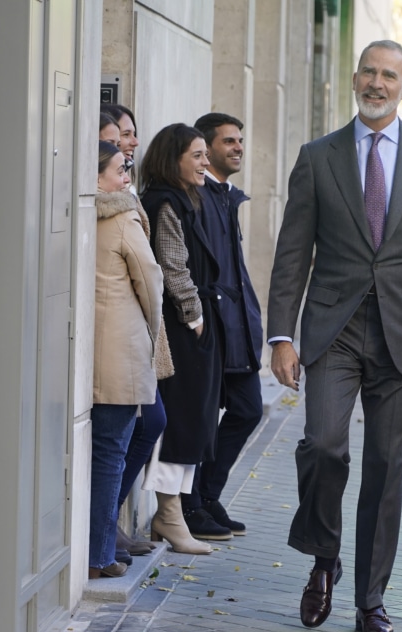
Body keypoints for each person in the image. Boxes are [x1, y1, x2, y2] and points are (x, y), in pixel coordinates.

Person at [267, 40, 402, 632]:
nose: (378, 83)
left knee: (386, 466)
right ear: (355, 79)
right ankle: (323, 555)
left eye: (391, 75)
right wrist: (281, 335)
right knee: (325, 446)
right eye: (370, 72)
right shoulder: (318, 156)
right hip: (333, 329)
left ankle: (370, 598)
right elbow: (292, 251)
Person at [173, 112, 264, 541]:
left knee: (246, 410)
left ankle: (208, 495)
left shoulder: (226, 196)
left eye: (240, 140)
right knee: (202, 419)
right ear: (206, 150)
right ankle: (189, 506)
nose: (238, 147)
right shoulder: (197, 197)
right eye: (229, 141)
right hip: (210, 329)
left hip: (236, 329)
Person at [139, 123, 222, 556]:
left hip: (193, 324)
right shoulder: (164, 201)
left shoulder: (188, 198)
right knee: (182, 420)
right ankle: (169, 514)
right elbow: (172, 265)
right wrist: (194, 315)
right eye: (197, 155)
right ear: (175, 160)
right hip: (180, 327)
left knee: (192, 421)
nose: (206, 162)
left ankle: (172, 513)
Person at [90, 141, 163, 578]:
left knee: (93, 457)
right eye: (120, 170)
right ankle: (98, 556)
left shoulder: (78, 215)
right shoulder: (122, 216)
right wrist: (152, 334)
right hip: (119, 357)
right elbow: (150, 282)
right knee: (110, 455)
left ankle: (94, 551)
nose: (127, 178)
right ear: (97, 176)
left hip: (86, 354)